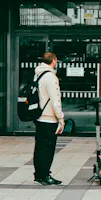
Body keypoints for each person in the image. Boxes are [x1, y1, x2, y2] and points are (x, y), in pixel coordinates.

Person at [33, 52, 64, 186]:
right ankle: (45, 175)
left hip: (39, 117)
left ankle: (39, 174)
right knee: (48, 148)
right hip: (49, 118)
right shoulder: (51, 77)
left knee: (39, 147)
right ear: (54, 60)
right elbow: (55, 100)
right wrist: (61, 118)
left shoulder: (38, 74)